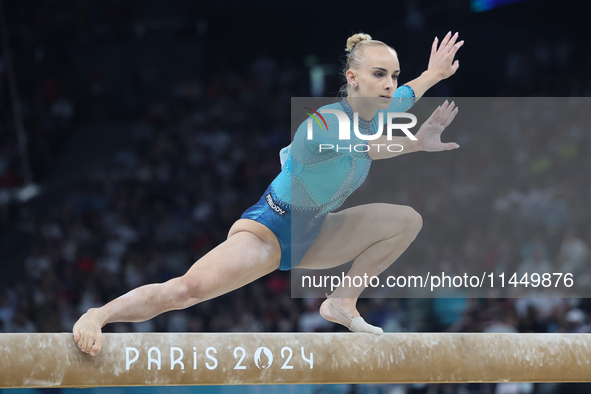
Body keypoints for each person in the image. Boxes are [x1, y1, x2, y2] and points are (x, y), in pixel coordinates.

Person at [73, 32, 463, 355]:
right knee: (186, 290)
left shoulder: (375, 111)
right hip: (271, 231)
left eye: (394, 75)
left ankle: (342, 301)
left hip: (316, 232)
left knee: (406, 221)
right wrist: (414, 141)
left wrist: (432, 75)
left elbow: (404, 99)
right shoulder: (323, 123)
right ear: (353, 78)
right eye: (380, 74)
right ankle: (99, 313)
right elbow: (368, 143)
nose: (390, 84)